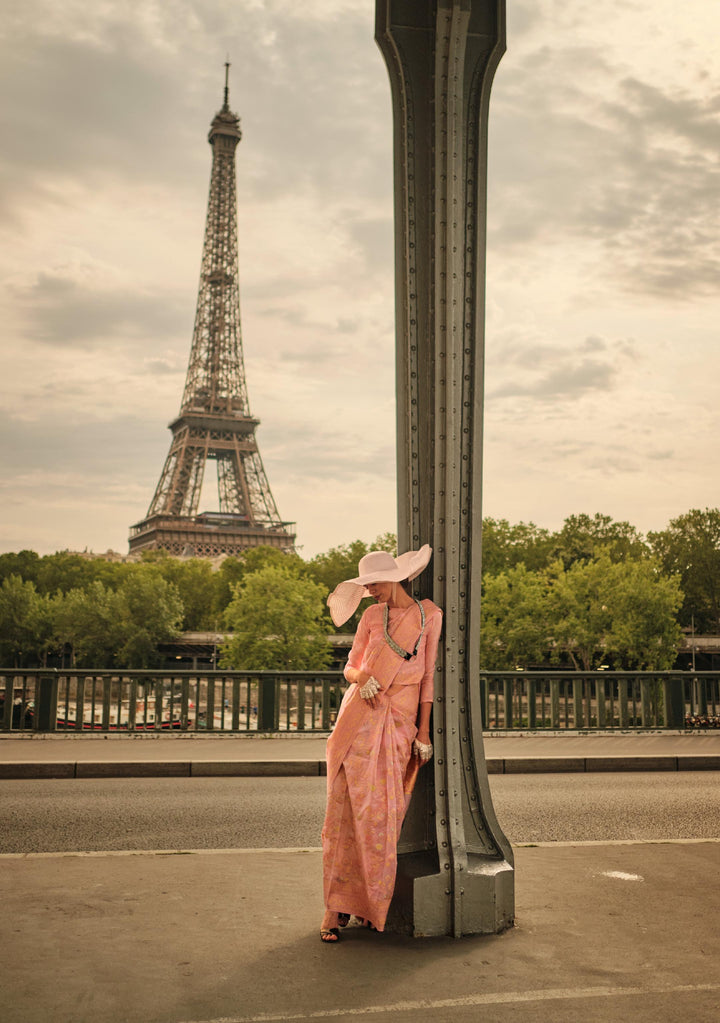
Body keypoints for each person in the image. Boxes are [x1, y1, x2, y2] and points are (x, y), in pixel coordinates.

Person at [320, 544, 442, 943]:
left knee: (380, 821)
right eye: (366, 585)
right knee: (342, 816)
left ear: (396, 577)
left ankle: (370, 906)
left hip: (399, 724)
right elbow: (350, 665)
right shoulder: (372, 616)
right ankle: (334, 911)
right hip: (359, 720)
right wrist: (360, 679)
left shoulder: (430, 617)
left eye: (374, 584)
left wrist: (423, 733)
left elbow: (428, 680)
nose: (370, 591)